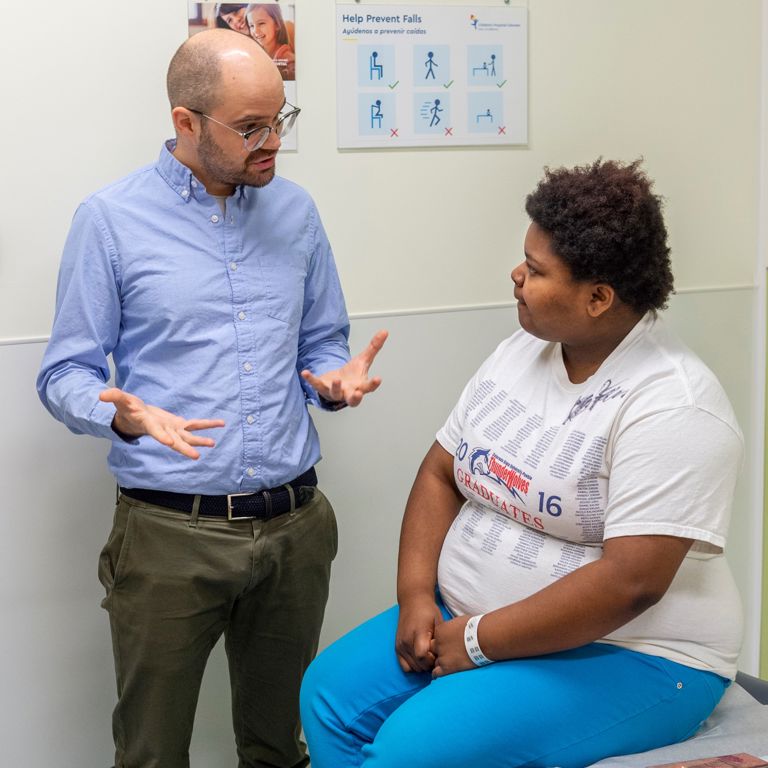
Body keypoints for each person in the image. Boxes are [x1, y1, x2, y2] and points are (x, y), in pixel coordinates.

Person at [300, 159, 743, 768]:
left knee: (408, 750)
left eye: (535, 270)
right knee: (327, 697)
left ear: (597, 297)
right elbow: (439, 473)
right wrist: (415, 595)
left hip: (637, 652)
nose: (516, 275)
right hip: (465, 614)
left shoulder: (674, 405)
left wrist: (479, 643)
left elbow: (631, 583)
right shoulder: (522, 351)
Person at [37, 28, 386, 768]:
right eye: (251, 127)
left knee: (280, 748)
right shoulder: (110, 221)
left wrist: (332, 380)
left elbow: (322, 341)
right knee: (153, 752)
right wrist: (117, 412)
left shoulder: (297, 214)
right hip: (169, 537)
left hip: (296, 530)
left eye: (281, 120)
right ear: (186, 123)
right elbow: (63, 372)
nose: (273, 144)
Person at [246, 4, 295, 81]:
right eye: (251, 26)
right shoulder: (256, 55)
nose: (255, 31)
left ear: (277, 24)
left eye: (261, 23)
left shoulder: (289, 63)